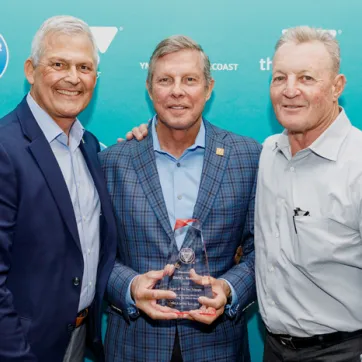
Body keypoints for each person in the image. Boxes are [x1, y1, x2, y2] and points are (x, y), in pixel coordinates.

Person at [99, 35, 260, 362]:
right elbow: (96, 254)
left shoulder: (248, 157)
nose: (177, 91)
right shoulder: (112, 162)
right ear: (149, 88)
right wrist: (129, 287)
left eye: (190, 80)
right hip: (134, 346)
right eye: (165, 80)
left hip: (219, 348)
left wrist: (229, 290)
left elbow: (263, 251)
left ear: (209, 87)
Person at [0, 15, 117, 362]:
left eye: (84, 67)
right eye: (58, 64)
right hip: (22, 348)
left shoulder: (90, 147)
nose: (72, 78)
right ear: (30, 70)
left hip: (77, 338)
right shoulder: (5, 148)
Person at [255, 26, 362, 361]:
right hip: (273, 348)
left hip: (343, 351)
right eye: (279, 78)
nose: (290, 91)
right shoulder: (268, 152)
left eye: (306, 78)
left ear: (337, 87)